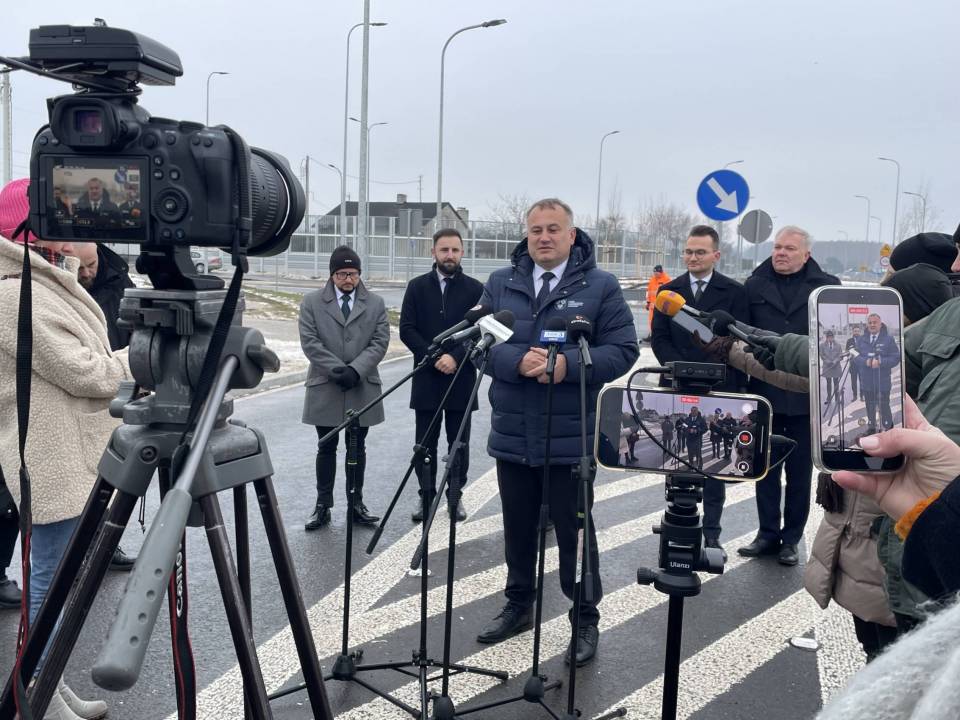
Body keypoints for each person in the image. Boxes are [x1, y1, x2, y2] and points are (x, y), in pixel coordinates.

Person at [474, 198, 638, 667]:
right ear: (526, 236)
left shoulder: (600, 286)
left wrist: (566, 366)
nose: (543, 237)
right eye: (536, 230)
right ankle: (518, 603)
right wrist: (514, 361)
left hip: (571, 440)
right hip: (513, 434)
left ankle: (584, 616)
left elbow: (623, 349)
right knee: (517, 528)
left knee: (575, 533)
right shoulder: (500, 283)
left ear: (571, 235)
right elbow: (480, 346)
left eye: (553, 229)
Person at [0, 177, 127, 720]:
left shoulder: (45, 281)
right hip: (50, 458)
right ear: (29, 230)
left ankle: (44, 683)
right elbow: (84, 371)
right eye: (59, 216)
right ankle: (37, 691)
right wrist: (141, 359)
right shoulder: (15, 293)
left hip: (72, 452)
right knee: (51, 581)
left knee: (60, 582)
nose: (71, 226)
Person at [740, 225, 839, 566]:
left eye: (789, 249)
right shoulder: (754, 285)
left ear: (806, 255)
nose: (780, 253)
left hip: (805, 397)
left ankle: (791, 539)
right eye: (777, 247)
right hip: (765, 394)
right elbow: (741, 337)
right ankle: (767, 534)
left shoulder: (826, 289)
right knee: (764, 470)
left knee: (799, 475)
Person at [652, 224, 748, 557]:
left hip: (720, 385)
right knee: (676, 463)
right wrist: (679, 367)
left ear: (716, 255)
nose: (693, 257)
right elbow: (659, 337)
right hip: (677, 381)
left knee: (716, 467)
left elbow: (739, 338)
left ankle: (712, 533)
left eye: (700, 252)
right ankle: (677, 524)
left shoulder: (735, 292)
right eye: (689, 252)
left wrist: (712, 370)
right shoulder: (669, 293)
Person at [299, 246, 389, 530]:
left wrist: (356, 370)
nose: (348, 279)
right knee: (326, 446)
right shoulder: (312, 302)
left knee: (357, 447)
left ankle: (356, 504)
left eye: (352, 274)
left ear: (359, 274)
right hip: (326, 384)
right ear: (332, 275)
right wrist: (337, 369)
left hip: (361, 385)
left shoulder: (375, 303)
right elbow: (310, 341)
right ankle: (322, 505)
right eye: (341, 274)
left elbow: (380, 341)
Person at [399, 228, 483, 522]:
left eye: (455, 250)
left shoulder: (476, 289)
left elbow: (481, 331)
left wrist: (455, 357)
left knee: (459, 443)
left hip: (461, 378)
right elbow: (407, 329)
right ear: (433, 252)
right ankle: (426, 496)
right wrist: (435, 357)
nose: (450, 255)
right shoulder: (416, 287)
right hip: (427, 377)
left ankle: (455, 497)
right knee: (425, 444)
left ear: (462, 253)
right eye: (444, 250)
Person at [71, 242, 139, 573]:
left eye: (91, 265)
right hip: (82, 388)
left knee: (109, 473)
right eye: (80, 268)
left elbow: (137, 330)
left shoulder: (120, 280)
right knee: (80, 479)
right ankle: (79, 549)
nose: (87, 273)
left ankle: (105, 543)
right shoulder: (62, 287)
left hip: (118, 384)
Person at [853, 313, 900, 434]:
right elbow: (855, 356)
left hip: (882, 382)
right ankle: (871, 429)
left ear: (880, 324)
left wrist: (881, 362)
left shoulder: (888, 339)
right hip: (867, 382)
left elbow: (896, 358)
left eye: (875, 322)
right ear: (867, 325)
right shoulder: (861, 340)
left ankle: (889, 429)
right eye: (870, 323)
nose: (872, 325)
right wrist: (866, 361)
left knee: (884, 406)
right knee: (869, 407)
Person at [644, 264, 671, 340]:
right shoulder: (652, 279)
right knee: (651, 321)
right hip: (652, 306)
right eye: (654, 273)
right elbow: (648, 291)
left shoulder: (667, 279)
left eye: (656, 273)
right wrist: (648, 302)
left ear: (661, 272)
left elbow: (669, 293)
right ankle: (652, 336)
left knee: (660, 322)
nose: (655, 274)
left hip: (661, 307)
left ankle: (660, 337)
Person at [819, 330, 842, 404]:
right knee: (828, 383)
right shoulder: (822, 345)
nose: (830, 338)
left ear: (833, 337)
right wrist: (828, 361)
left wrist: (835, 361)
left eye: (831, 337)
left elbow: (840, 355)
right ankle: (829, 398)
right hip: (827, 367)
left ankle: (837, 398)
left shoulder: (838, 345)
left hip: (836, 366)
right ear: (826, 337)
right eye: (828, 337)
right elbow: (822, 355)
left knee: (836, 383)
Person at [845, 326, 862, 401]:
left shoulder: (863, 340)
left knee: (862, 381)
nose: (856, 332)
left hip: (861, 365)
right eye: (855, 331)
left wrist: (856, 353)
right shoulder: (849, 341)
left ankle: (862, 395)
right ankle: (854, 396)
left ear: (859, 332)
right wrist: (851, 353)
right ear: (852, 332)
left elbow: (864, 350)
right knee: (853, 381)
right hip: (853, 365)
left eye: (857, 331)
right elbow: (847, 351)